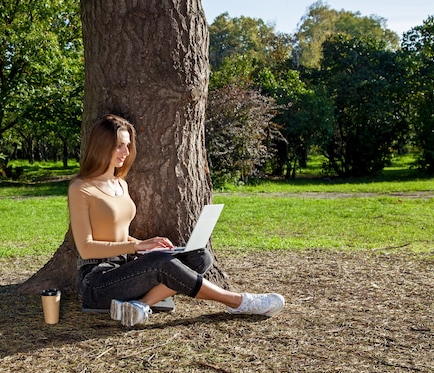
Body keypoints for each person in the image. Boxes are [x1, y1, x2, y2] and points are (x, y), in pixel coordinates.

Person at [69, 114, 285, 327]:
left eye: (127, 145)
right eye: (119, 146)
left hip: (126, 268)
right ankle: (238, 301)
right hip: (97, 281)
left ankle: (140, 306)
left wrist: (148, 247)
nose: (126, 152)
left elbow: (114, 232)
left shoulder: (120, 184)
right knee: (160, 263)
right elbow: (86, 248)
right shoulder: (81, 188)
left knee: (199, 257)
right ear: (101, 146)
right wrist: (138, 246)